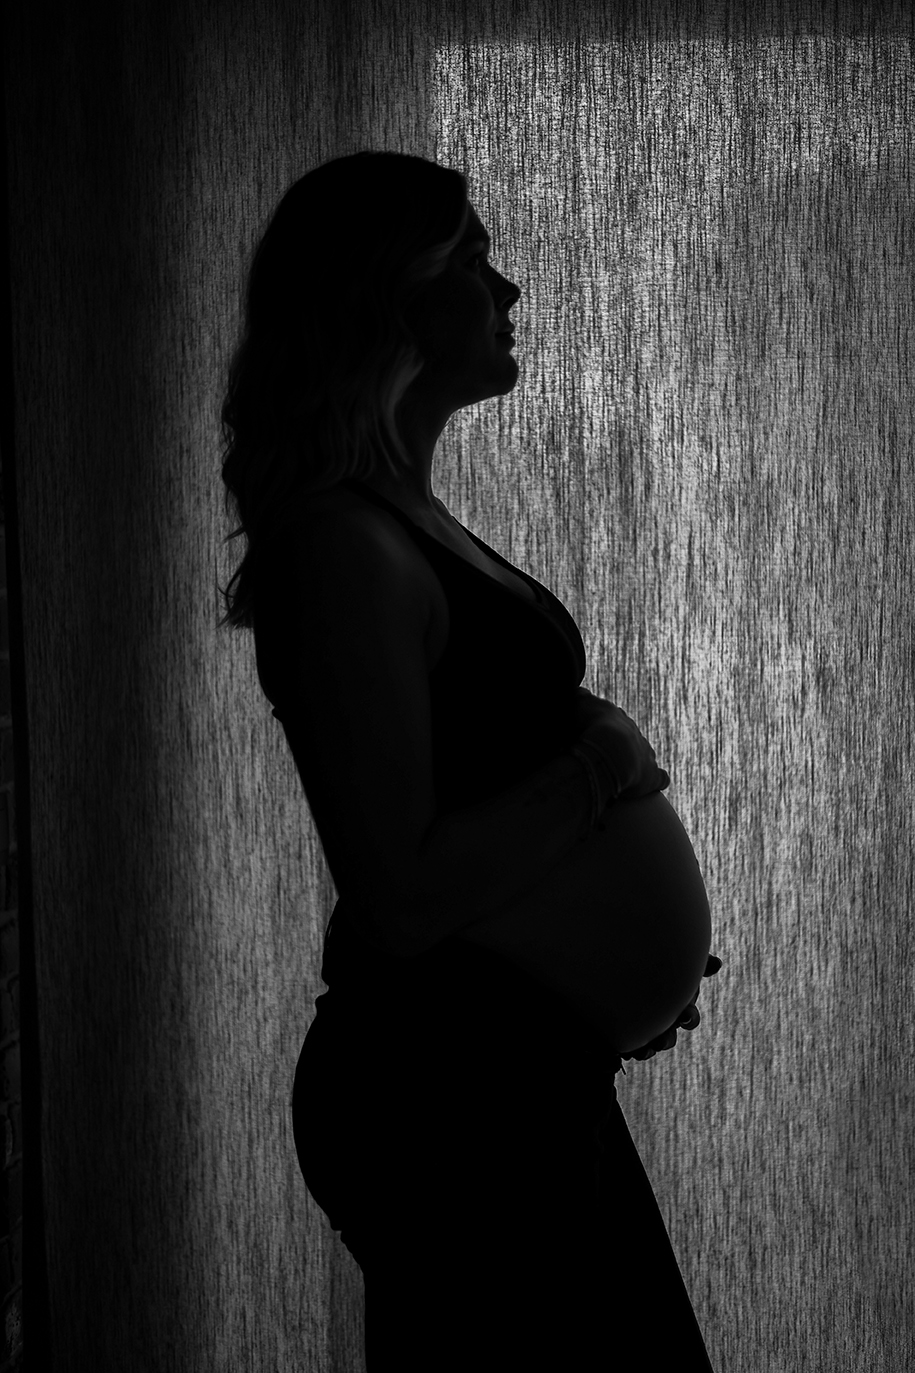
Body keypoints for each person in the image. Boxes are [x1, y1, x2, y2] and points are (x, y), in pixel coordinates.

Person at [218, 150, 721, 1370]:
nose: (510, 291)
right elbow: (405, 892)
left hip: (520, 1068)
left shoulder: (402, 514)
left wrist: (606, 981)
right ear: (386, 298)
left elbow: (473, 785)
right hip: (449, 1097)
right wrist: (601, 767)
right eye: (473, 261)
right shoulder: (342, 546)